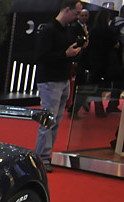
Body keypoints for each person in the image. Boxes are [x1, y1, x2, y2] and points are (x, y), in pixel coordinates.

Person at [34, 0, 86, 172]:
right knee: (48, 121)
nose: (78, 17)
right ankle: (42, 157)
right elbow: (41, 56)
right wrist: (65, 54)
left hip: (63, 79)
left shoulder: (67, 30)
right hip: (50, 80)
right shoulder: (49, 30)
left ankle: (45, 156)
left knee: (55, 121)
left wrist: (75, 51)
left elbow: (66, 54)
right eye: (76, 13)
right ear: (67, 10)